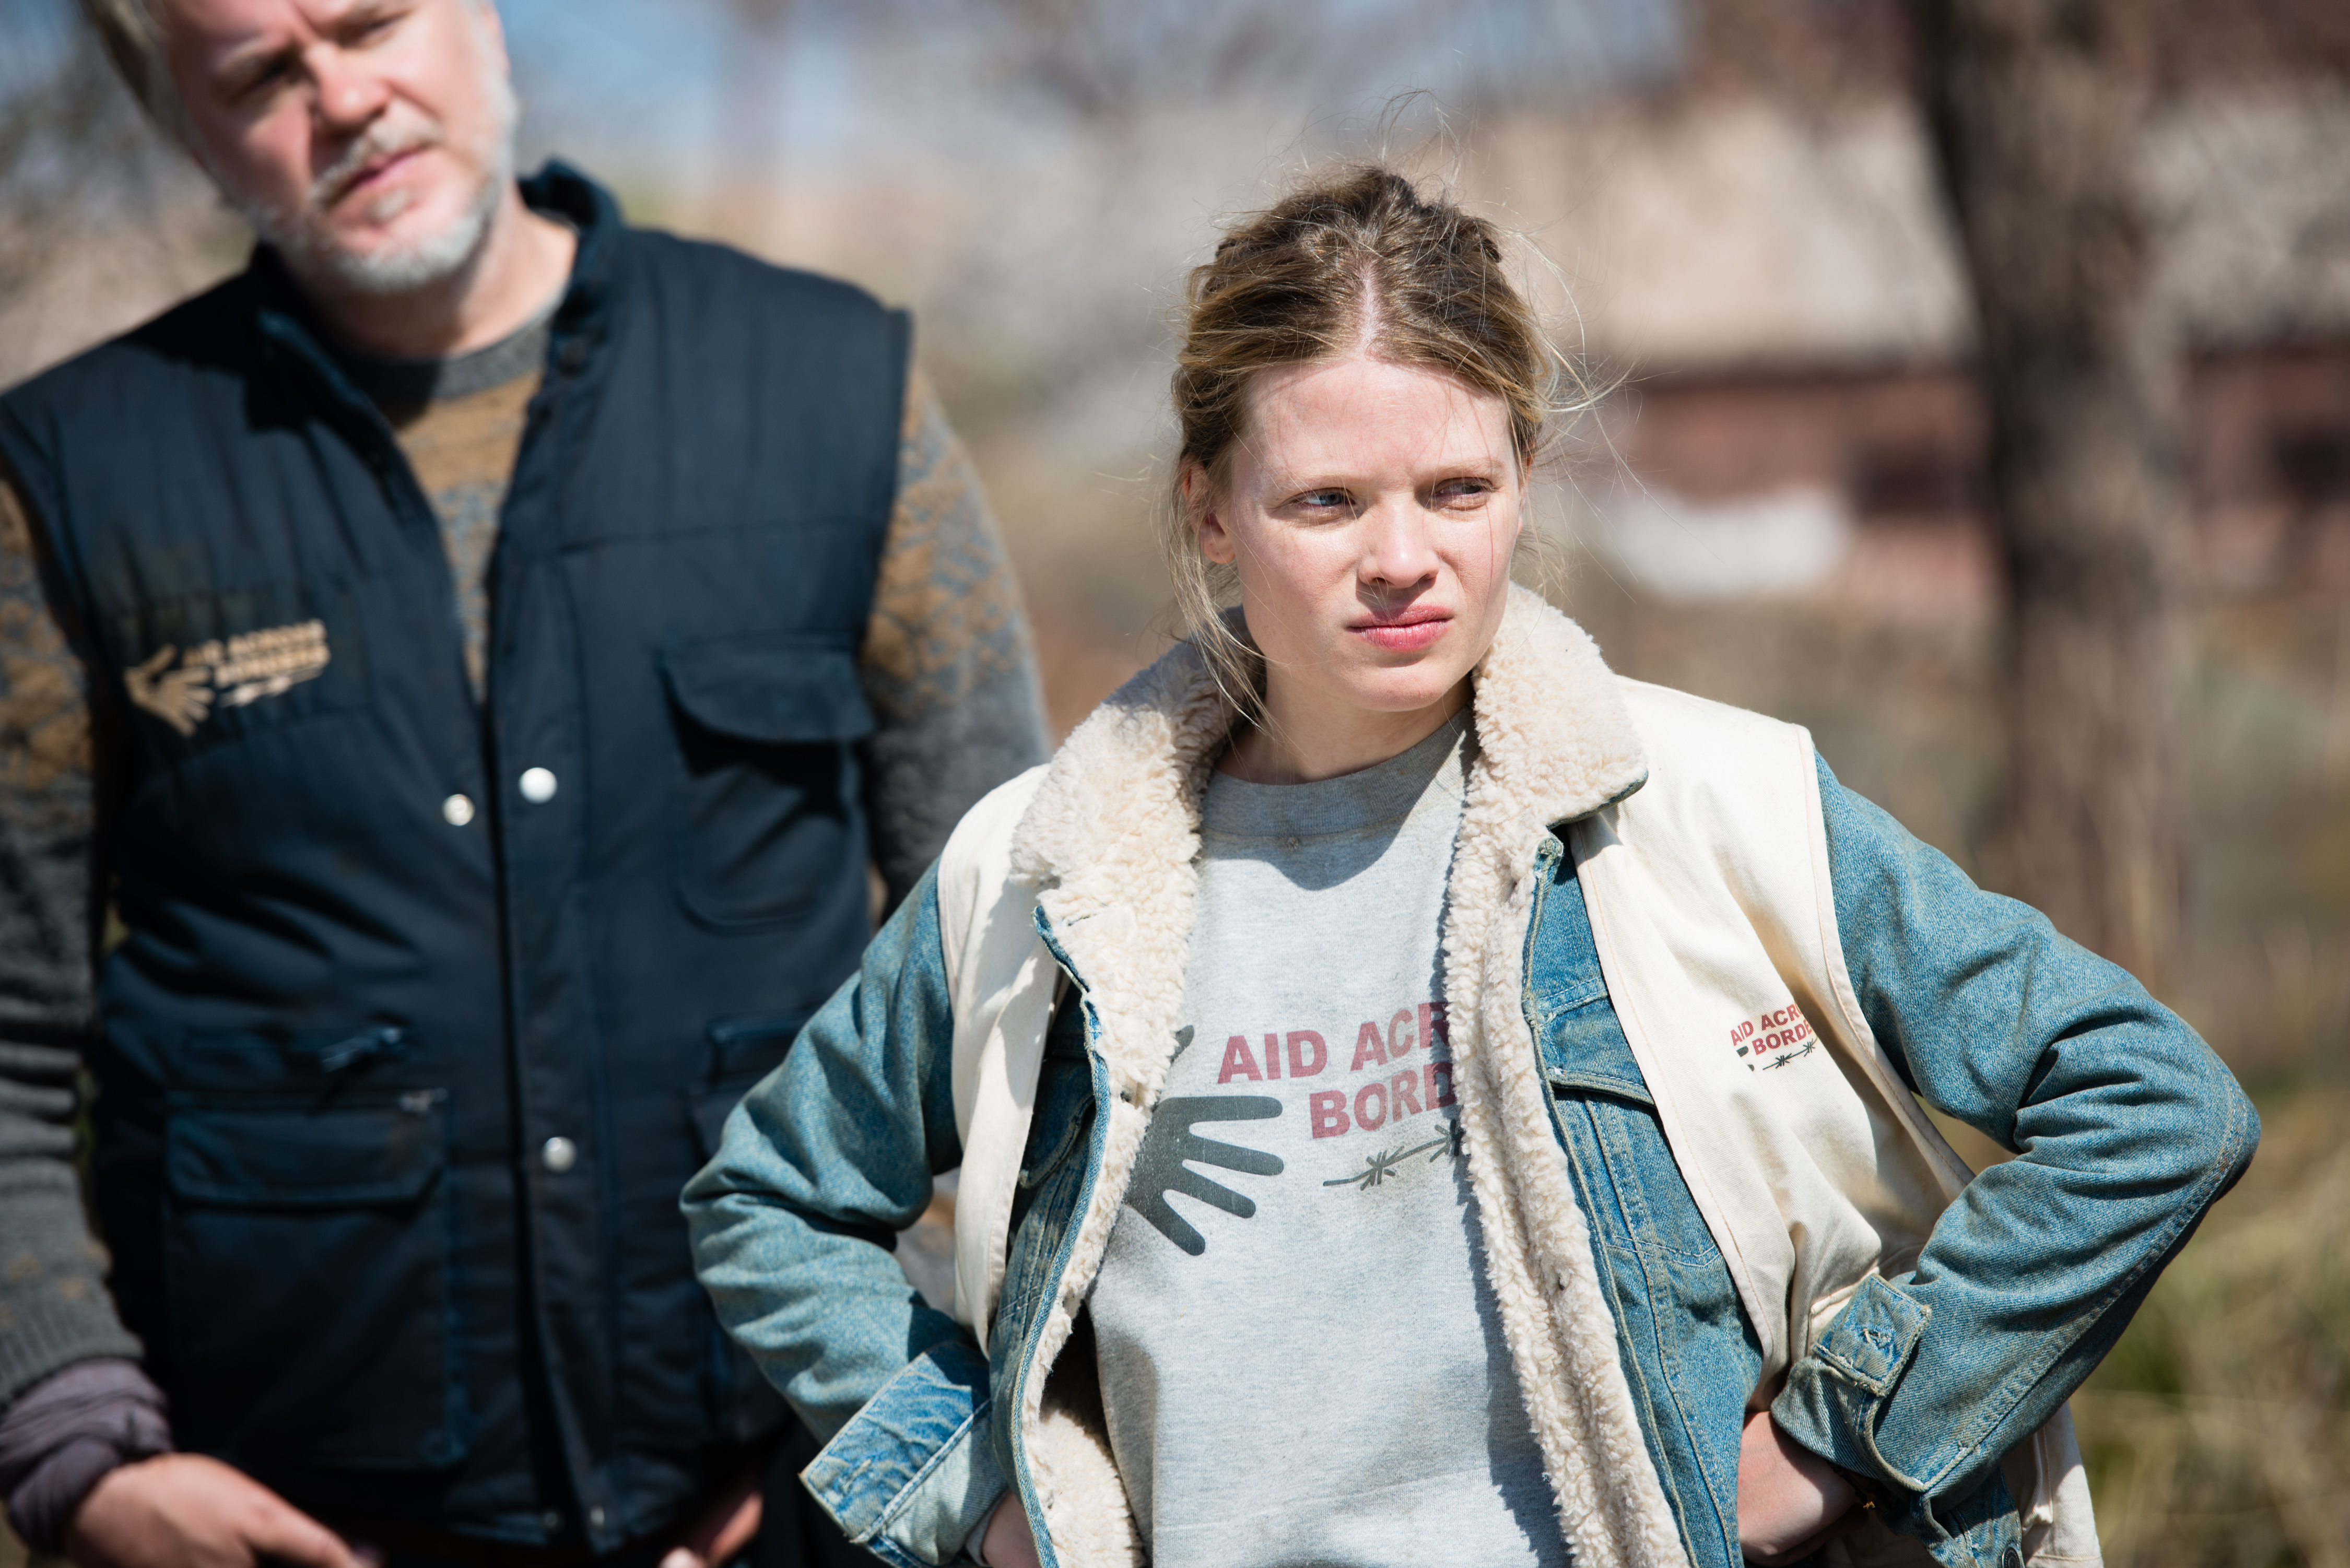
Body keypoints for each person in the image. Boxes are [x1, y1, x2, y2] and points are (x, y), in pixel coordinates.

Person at [682, 164, 2261, 1568]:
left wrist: (1829, 1442)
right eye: (1324, 500)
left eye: (1457, 488)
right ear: (1209, 509)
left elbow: (2150, 1106)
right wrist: (989, 1494)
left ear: (1522, 476)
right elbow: (770, 1200)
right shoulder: (1037, 874)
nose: (1401, 558)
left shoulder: (1709, 803)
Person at [0, 0, 1049, 1565]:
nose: (345, 96)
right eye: (265, 76)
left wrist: (886, 1434)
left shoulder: (835, 392)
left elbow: (1027, 1004)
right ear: (185, 125)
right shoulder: (71, 479)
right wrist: (73, 1448)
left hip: (800, 1508)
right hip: (292, 1516)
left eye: (370, 22)